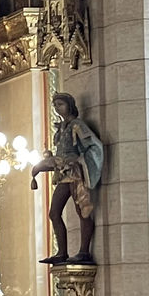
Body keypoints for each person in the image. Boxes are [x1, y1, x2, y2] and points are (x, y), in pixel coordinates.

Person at [31, 92, 103, 264]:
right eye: (55, 105)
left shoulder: (77, 125)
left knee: (83, 211)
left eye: (60, 104)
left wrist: (79, 160)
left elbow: (94, 146)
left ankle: (84, 251)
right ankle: (62, 252)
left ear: (69, 105)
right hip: (64, 175)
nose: (57, 108)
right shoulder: (61, 128)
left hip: (76, 174)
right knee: (54, 212)